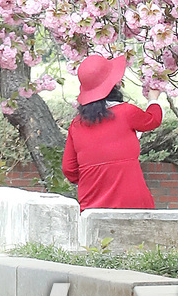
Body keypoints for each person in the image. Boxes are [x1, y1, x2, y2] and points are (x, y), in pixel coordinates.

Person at [63, 55, 162, 211]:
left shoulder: (76, 126)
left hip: (92, 209)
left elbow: (69, 169)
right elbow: (153, 120)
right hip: (134, 206)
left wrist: (95, 176)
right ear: (113, 85)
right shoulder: (126, 113)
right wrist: (153, 99)